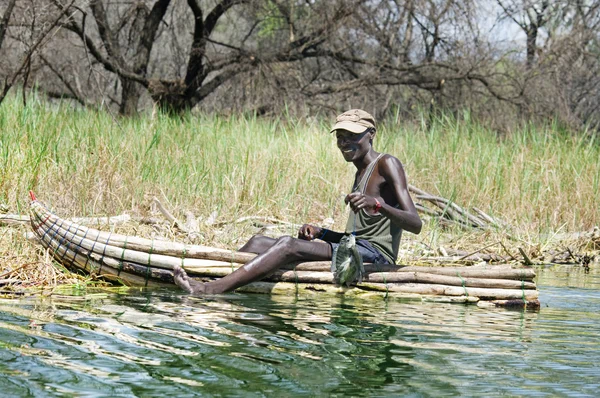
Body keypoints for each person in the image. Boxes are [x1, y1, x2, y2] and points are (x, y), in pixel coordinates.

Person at [174, 109, 422, 294]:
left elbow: (415, 223)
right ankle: (207, 276)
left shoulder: (387, 163)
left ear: (371, 135)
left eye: (352, 136)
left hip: (375, 257)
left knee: (286, 245)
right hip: (356, 248)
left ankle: (209, 290)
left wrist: (377, 205)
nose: (344, 142)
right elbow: (354, 238)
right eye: (340, 137)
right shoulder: (359, 172)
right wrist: (322, 233)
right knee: (258, 241)